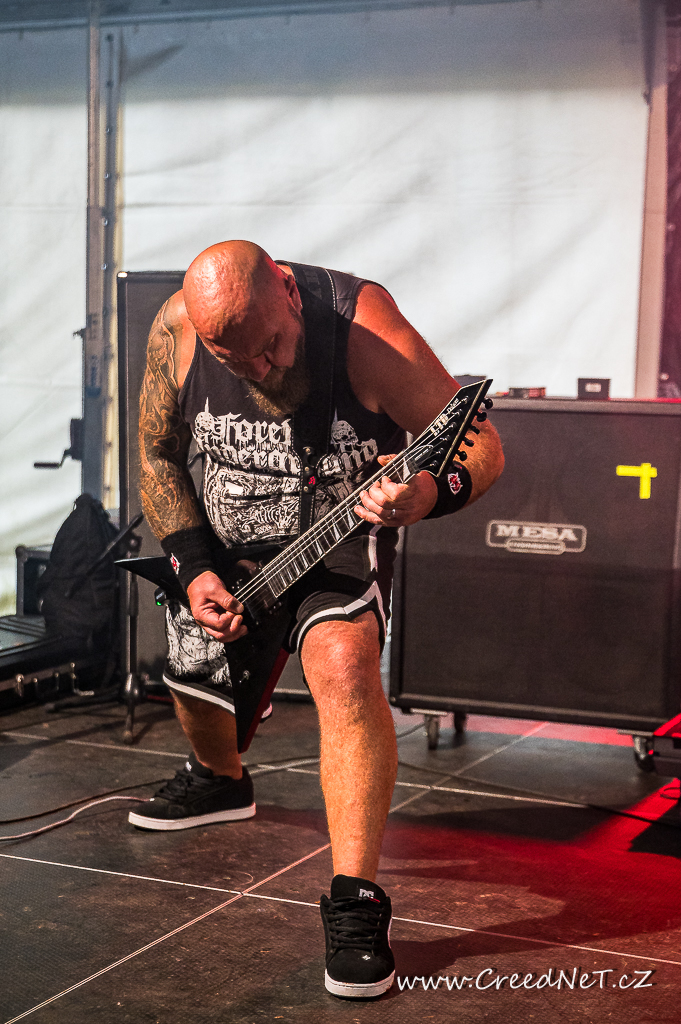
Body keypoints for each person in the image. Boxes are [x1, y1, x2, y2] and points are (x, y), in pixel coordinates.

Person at [130, 240, 504, 999]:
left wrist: (428, 494)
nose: (258, 368)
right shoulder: (175, 329)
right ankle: (221, 781)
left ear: (290, 294)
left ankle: (355, 900)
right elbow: (156, 453)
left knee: (344, 668)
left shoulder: (365, 332)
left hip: (335, 541)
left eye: (270, 346)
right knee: (192, 670)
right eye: (232, 357)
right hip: (226, 557)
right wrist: (194, 566)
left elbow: (485, 447)